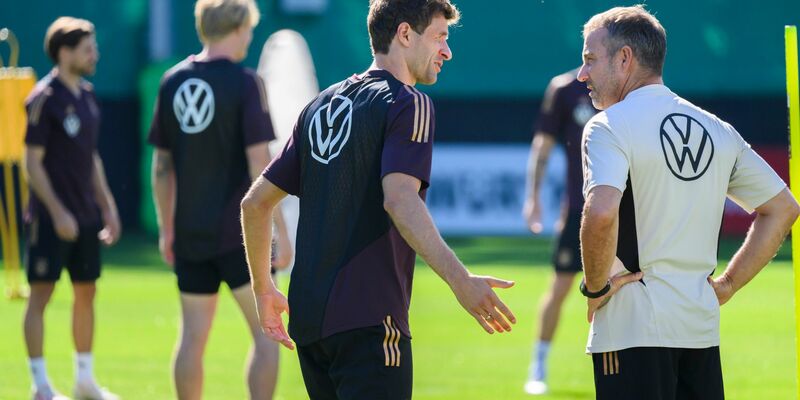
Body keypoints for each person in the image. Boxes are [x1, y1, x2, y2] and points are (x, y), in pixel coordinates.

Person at [240, 0, 517, 398]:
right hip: (369, 320)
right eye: (440, 37)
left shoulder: (318, 106)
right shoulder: (409, 102)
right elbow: (400, 200)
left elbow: (255, 204)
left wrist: (263, 290)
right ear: (405, 34)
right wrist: (462, 282)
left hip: (311, 324)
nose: (447, 50)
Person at [577, 5, 800, 399]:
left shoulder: (608, 126)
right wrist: (727, 286)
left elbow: (600, 212)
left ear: (625, 58)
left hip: (631, 329)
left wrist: (595, 290)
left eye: (590, 60)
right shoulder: (719, 129)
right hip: (700, 330)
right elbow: (783, 208)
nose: (583, 74)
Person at [147, 1, 292, 399]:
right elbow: (259, 164)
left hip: (192, 232)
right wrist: (279, 231)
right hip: (241, 236)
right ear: (238, 27)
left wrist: (167, 228)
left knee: (192, 338)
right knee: (268, 335)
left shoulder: (172, 80)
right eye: (248, 29)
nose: (250, 37)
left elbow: (161, 167)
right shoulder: (245, 83)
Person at [22, 17, 121, 400]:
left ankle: (84, 382)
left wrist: (108, 206)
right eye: (87, 49)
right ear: (65, 53)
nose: (95, 54)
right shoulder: (43, 99)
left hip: (86, 217)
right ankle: (40, 385)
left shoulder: (89, 96)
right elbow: (32, 164)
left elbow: (91, 157)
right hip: (49, 220)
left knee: (87, 293)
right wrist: (58, 211)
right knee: (40, 297)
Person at [522, 69, 596, 395]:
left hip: (625, 212)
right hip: (579, 211)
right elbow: (543, 145)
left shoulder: (628, 84)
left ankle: (617, 368)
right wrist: (533, 197)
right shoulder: (565, 89)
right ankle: (538, 364)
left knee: (623, 292)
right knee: (561, 287)